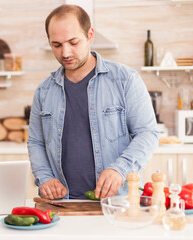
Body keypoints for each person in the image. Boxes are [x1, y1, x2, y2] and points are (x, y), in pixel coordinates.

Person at [27, 4, 159, 200]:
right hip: (63, 204)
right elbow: (36, 142)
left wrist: (119, 170)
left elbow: (147, 133)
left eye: (73, 42)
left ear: (90, 35)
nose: (65, 53)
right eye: (56, 45)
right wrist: (45, 177)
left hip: (118, 202)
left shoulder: (125, 79)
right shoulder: (44, 91)